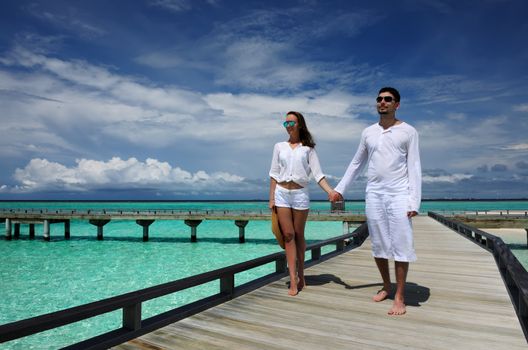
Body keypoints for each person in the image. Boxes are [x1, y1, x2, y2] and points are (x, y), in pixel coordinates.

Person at [329, 87, 421, 315]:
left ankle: (399, 296)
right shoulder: (368, 132)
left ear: (397, 104)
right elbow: (356, 163)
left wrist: (413, 202)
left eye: (388, 99)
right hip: (374, 195)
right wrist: (340, 189)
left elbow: (415, 167)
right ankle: (387, 285)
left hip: (399, 194)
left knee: (401, 244)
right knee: (379, 244)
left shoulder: (409, 132)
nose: (382, 102)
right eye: (379, 99)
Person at [269, 111, 334, 296]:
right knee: (288, 235)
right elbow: (274, 173)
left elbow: (318, 174)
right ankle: (293, 279)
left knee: (299, 235)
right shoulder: (279, 146)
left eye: (291, 123)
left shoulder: (308, 149)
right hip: (282, 193)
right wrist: (271, 198)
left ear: (300, 125)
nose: (288, 126)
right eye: (286, 123)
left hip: (300, 195)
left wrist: (330, 191)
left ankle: (302, 273)